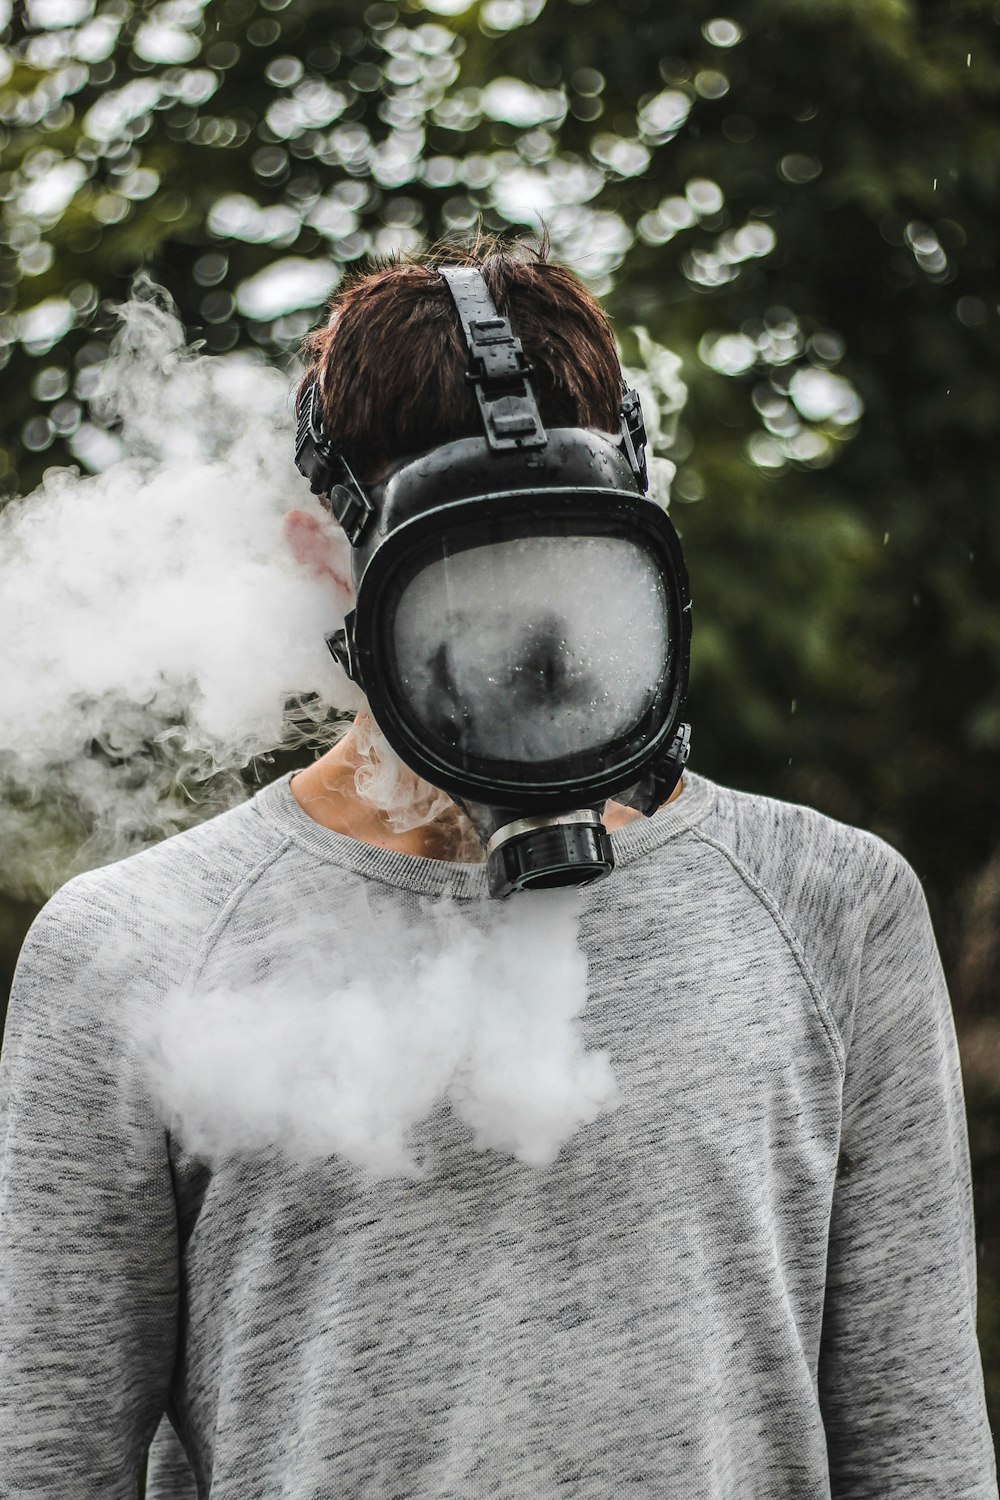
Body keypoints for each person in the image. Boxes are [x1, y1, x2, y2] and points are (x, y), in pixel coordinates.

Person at [0, 242, 996, 1500]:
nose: (531, 631)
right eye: (470, 579)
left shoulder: (832, 905)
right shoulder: (136, 947)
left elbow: (921, 1455)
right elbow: (46, 1467)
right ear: (323, 552)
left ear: (637, 512)